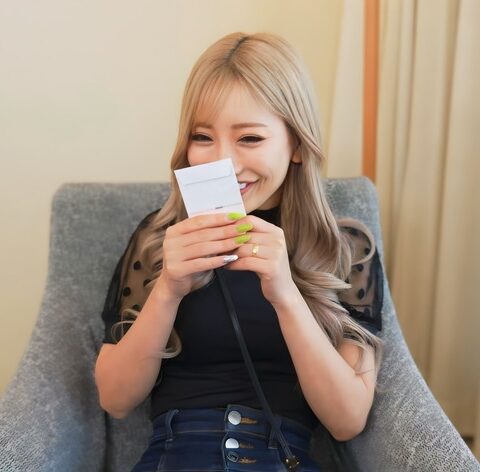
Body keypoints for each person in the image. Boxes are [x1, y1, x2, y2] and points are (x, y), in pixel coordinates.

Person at [94, 31, 384, 472]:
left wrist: (286, 295)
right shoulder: (159, 238)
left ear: (297, 145)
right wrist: (168, 289)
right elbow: (115, 399)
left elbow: (346, 421)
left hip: (280, 456)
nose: (222, 163)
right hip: (176, 456)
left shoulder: (343, 247)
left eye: (249, 138)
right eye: (202, 136)